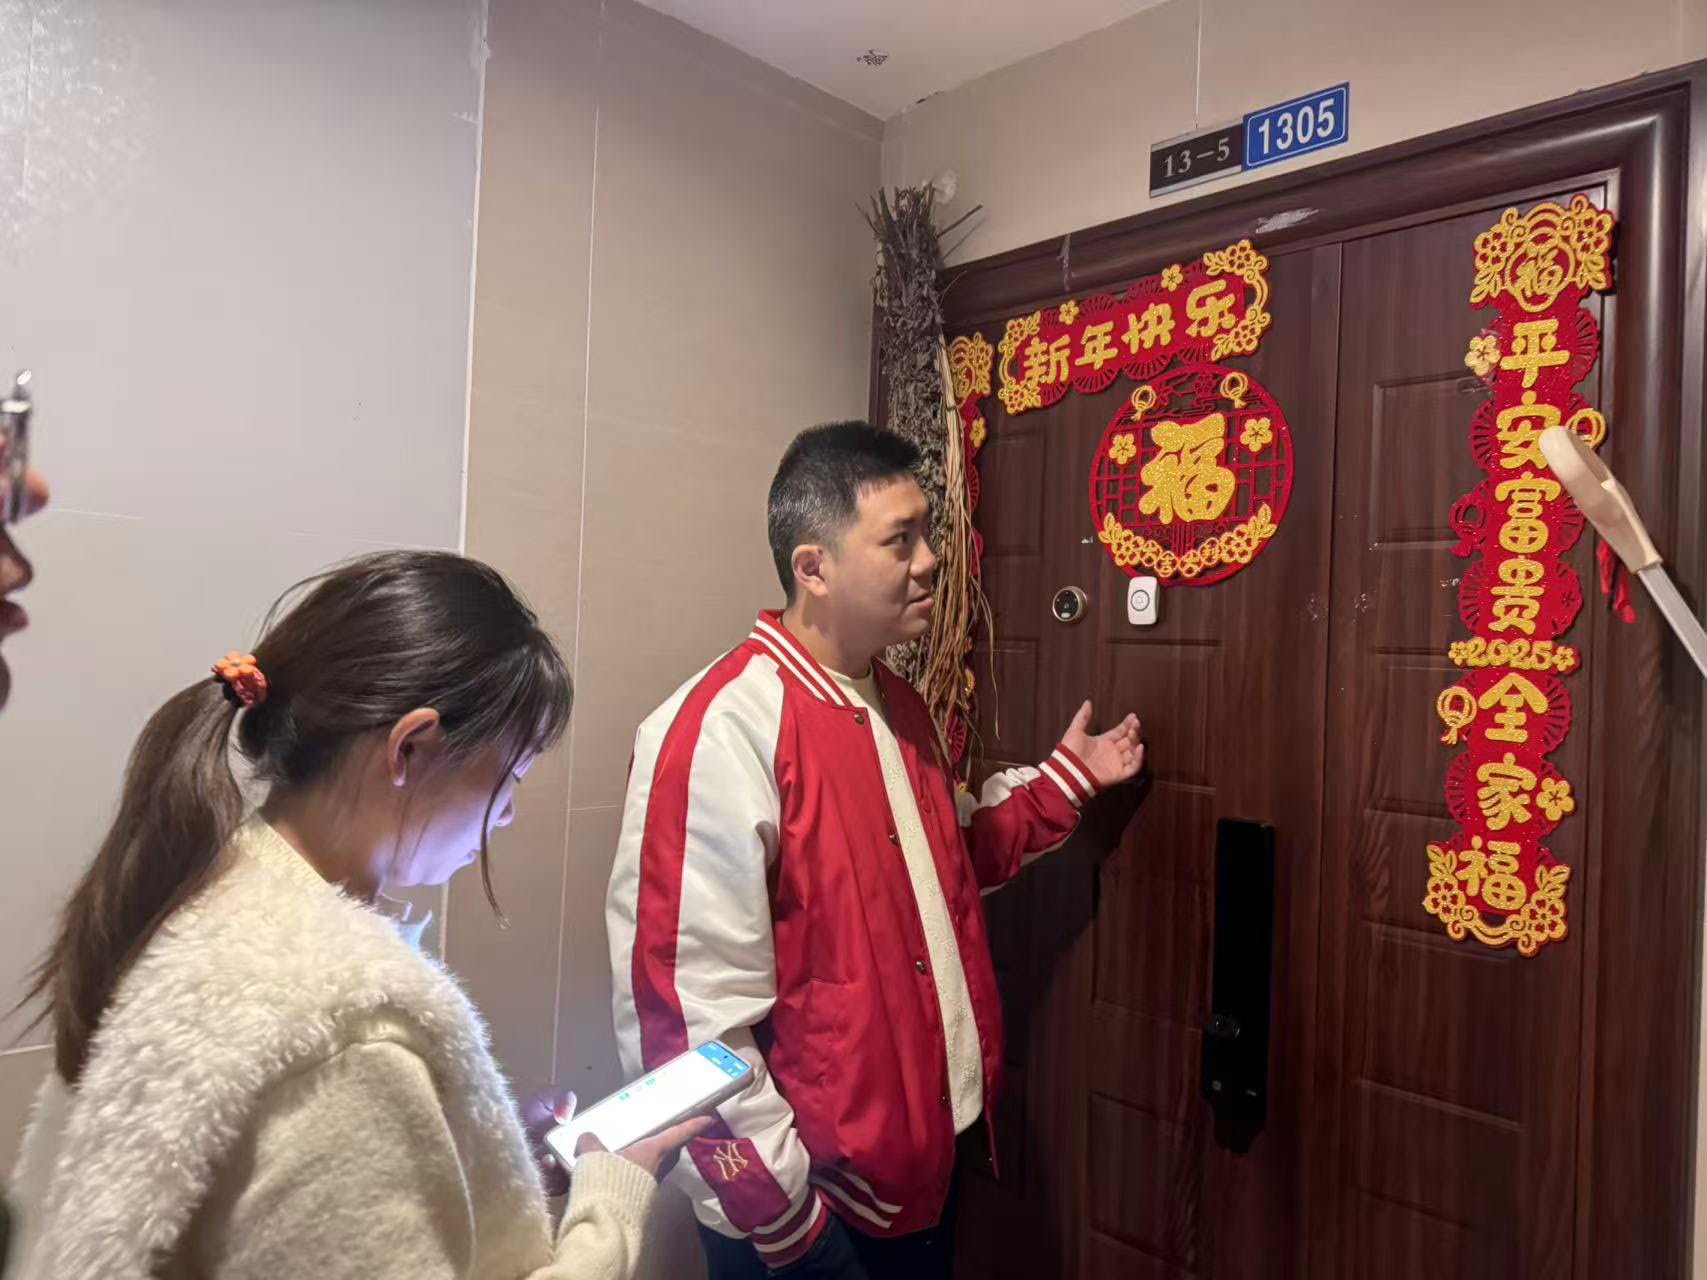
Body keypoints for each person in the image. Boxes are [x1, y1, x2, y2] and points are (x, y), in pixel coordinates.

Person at [8, 550, 710, 1280]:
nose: (506, 815)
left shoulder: (202, 895)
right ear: (410, 747)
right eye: (510, 776)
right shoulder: (349, 1037)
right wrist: (610, 1202)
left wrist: (480, 1160)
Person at [606, 422, 1145, 1279]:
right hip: (807, 1215)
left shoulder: (897, 702)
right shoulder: (720, 730)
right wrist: (785, 1225)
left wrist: (1066, 781)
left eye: (927, 533)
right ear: (812, 567)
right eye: (900, 540)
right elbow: (681, 1021)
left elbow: (946, 866)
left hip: (920, 1172)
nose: (930, 561)